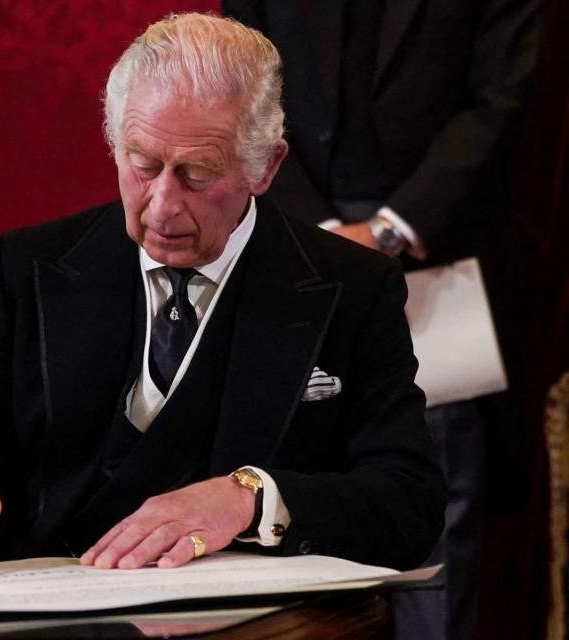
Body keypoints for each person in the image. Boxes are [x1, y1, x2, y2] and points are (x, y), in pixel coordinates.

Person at [0, 13, 445, 574]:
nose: (162, 205)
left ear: (266, 166)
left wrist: (250, 498)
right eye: (143, 165)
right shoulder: (22, 271)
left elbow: (408, 506)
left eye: (198, 174)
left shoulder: (353, 286)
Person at [220, 3, 540, 638]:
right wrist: (325, 236)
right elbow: (235, 88)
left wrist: (389, 231)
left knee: (437, 529)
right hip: (290, 254)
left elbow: (500, 101)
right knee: (284, 519)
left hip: (434, 266)